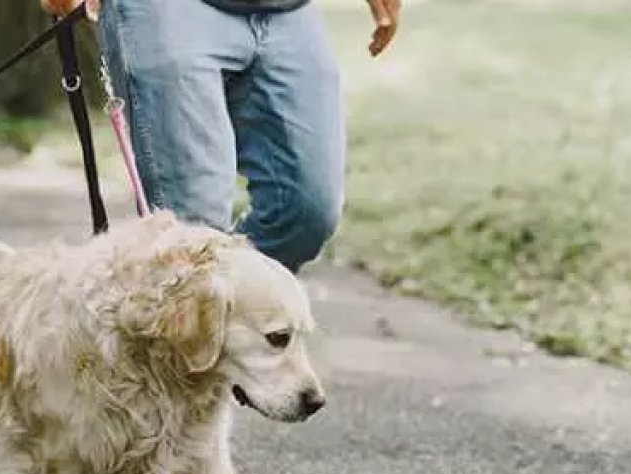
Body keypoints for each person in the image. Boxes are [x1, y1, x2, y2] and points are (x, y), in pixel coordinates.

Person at [41, 0, 401, 273]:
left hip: (286, 9)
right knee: (191, 233)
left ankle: (215, 312)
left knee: (305, 211)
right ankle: (197, 347)